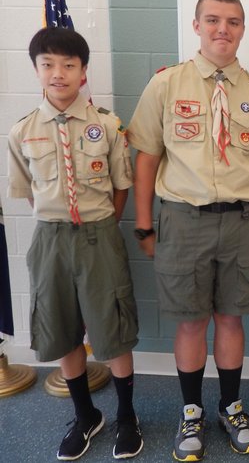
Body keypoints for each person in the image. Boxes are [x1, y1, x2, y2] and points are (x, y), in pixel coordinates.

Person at [127, 0, 249, 461]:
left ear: (242, 29)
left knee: (231, 317)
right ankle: (192, 410)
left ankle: (231, 406)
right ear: (196, 25)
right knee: (192, 322)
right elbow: (146, 159)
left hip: (242, 223)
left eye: (233, 21)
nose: (223, 29)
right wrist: (143, 227)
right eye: (213, 19)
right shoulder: (167, 85)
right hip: (183, 220)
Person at [7, 27, 142, 460]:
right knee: (62, 326)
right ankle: (85, 415)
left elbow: (123, 185)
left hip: (99, 235)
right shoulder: (22, 132)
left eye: (69, 65)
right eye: (48, 64)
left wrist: (101, 222)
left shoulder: (107, 124)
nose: (58, 73)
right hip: (50, 238)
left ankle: (126, 416)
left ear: (83, 72)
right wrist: (59, 217)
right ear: (36, 70)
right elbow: (29, 191)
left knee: (113, 328)